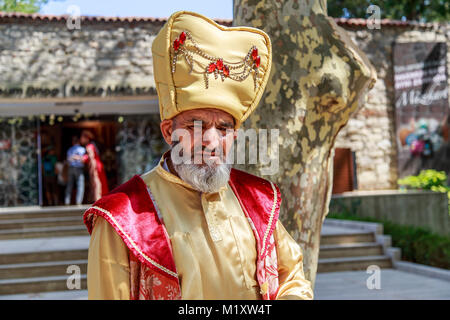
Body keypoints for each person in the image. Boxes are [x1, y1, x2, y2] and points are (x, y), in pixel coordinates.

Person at [83, 11, 313, 300]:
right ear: (169, 131)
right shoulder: (121, 216)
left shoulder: (258, 199)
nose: (211, 140)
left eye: (223, 127)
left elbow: (291, 276)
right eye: (196, 126)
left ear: (234, 136)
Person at [80, 130, 109, 203]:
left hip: (95, 166)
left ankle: (98, 200)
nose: (81, 139)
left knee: (96, 183)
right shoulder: (92, 145)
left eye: (82, 138)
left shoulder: (89, 146)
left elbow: (91, 157)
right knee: (99, 182)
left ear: (86, 138)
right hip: (98, 165)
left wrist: (92, 169)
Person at [65, 136, 86, 205]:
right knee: (80, 185)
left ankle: (67, 201)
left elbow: (68, 160)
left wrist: (73, 158)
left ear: (73, 142)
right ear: (79, 141)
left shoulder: (70, 149)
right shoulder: (82, 149)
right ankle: (78, 202)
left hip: (71, 168)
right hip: (79, 168)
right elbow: (84, 159)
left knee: (69, 185)